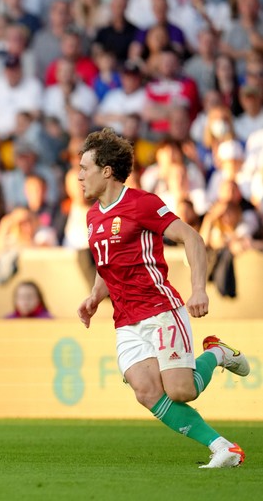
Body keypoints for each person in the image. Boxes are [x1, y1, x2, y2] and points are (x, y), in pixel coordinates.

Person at [76, 128, 249, 469]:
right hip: (125, 320)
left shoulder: (141, 203)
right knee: (146, 391)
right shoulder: (93, 215)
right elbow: (107, 263)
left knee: (181, 391)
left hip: (160, 310)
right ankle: (223, 448)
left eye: (85, 167)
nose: (79, 175)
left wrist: (198, 289)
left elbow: (192, 238)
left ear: (107, 170)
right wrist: (96, 295)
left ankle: (217, 354)